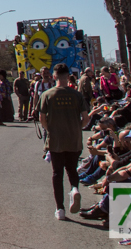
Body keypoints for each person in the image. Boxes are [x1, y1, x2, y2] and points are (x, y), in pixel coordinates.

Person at [38, 63, 90, 221]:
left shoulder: (47, 95)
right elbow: (86, 118)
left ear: (54, 77)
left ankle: (60, 209)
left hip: (56, 140)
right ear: (68, 77)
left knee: (57, 173)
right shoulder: (77, 95)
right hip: (73, 139)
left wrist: (50, 130)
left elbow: (42, 119)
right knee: (72, 169)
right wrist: (77, 128)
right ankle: (74, 189)